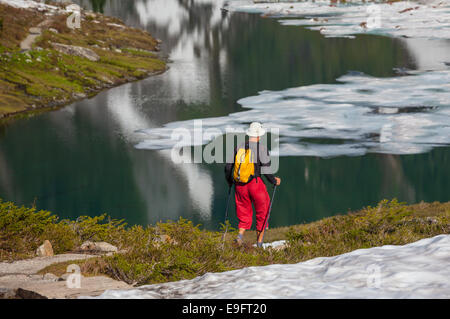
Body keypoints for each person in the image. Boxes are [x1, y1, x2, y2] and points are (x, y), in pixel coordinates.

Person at [225, 122, 281, 247]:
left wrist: (230, 182)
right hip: (256, 185)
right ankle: (259, 244)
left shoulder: (239, 147)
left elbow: (228, 167)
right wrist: (274, 181)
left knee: (243, 211)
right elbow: (266, 170)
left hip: (240, 185)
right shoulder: (261, 149)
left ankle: (240, 236)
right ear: (259, 136)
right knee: (263, 212)